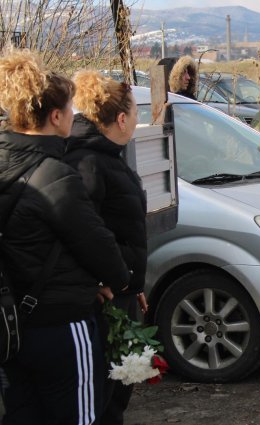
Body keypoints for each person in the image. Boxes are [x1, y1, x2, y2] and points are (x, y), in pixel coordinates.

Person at [0, 49, 130, 424]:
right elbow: (97, 244)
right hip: (60, 324)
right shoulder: (55, 175)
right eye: (71, 109)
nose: (74, 116)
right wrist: (118, 279)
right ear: (55, 117)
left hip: (10, 325)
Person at [63, 70, 148, 425]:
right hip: (103, 302)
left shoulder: (108, 156)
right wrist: (98, 282)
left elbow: (122, 230)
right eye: (136, 113)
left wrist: (136, 286)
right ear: (122, 119)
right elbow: (80, 231)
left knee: (118, 392)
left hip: (123, 291)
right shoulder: (88, 162)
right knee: (101, 398)